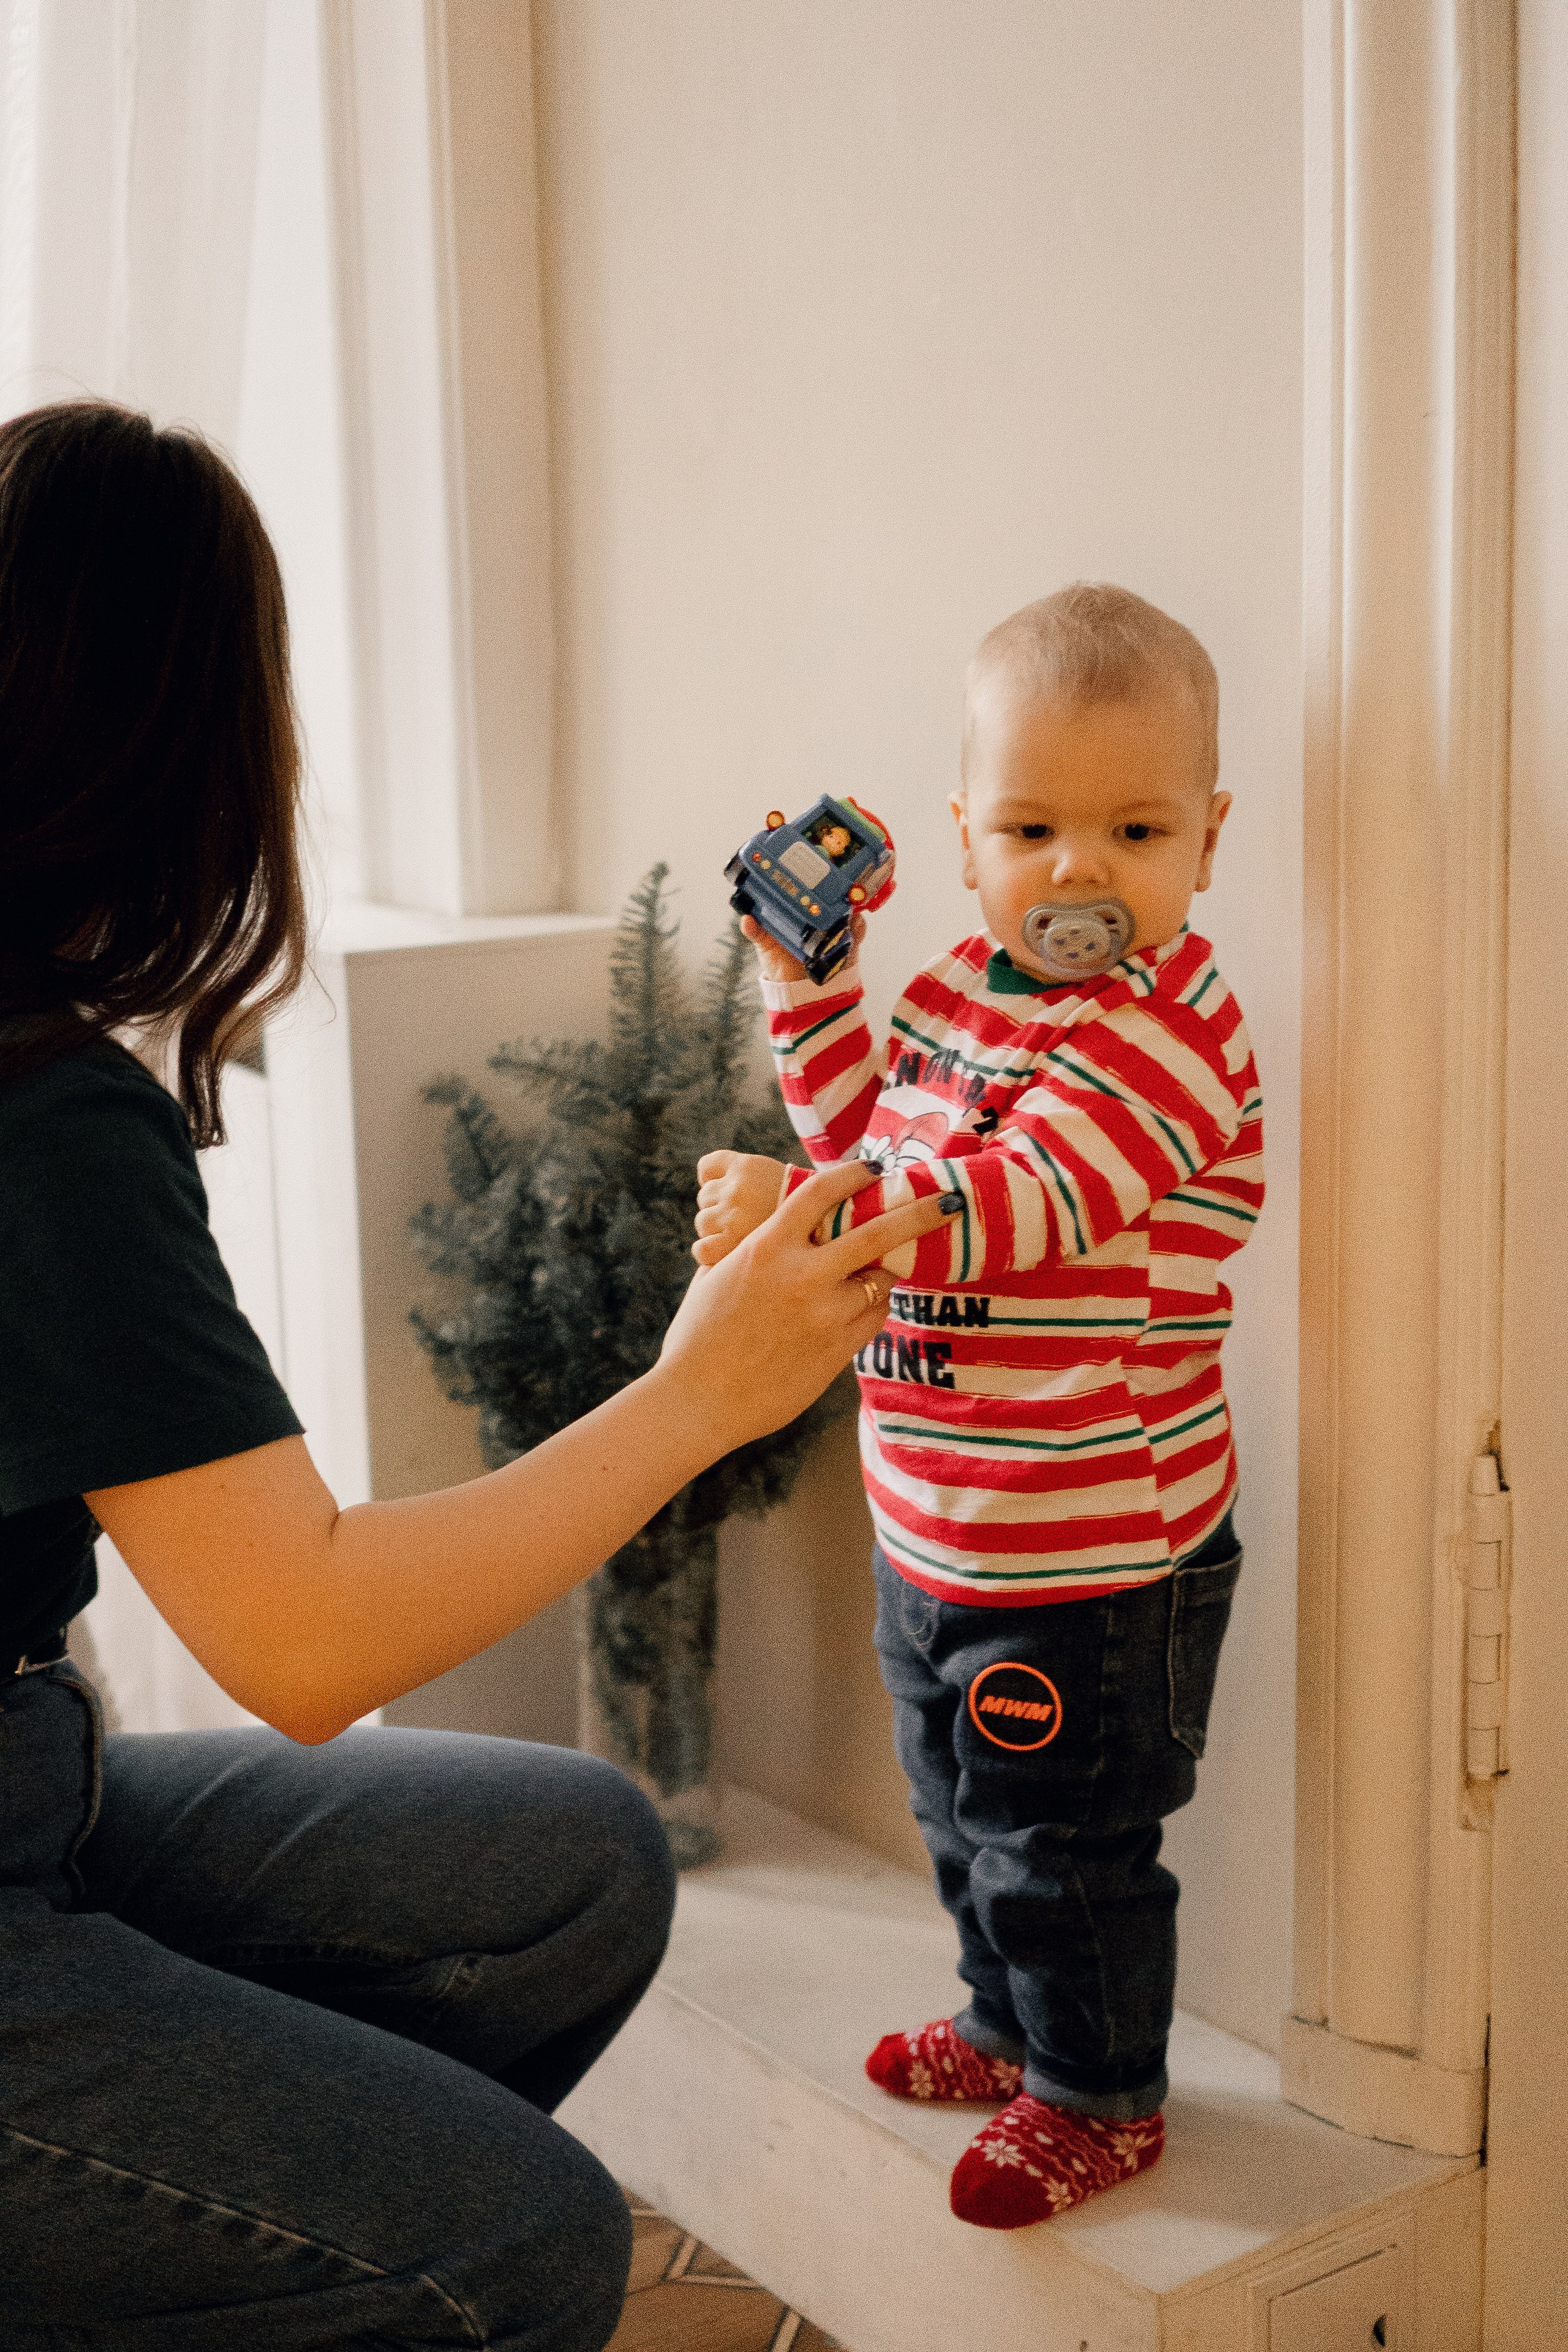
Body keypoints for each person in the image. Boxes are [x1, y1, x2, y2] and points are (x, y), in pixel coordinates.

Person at [0, 400, 959, 2348]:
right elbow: (305, 1635)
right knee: (513, 2242)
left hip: (47, 1786)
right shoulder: (41, 1115)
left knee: (568, 1867)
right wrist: (703, 1391)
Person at [693, 584, 1264, 2230]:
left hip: (1095, 1558)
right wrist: (814, 986)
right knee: (957, 1808)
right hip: (940, 1524)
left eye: (1135, 828)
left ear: (1206, 842)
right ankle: (1010, 2027)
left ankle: (1100, 2096)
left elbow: (1024, 1201)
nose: (1081, 870)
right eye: (1034, 826)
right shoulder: (953, 995)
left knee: (1066, 1840)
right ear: (965, 837)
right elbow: (863, 1121)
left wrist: (825, 1210)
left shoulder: (1174, 1028)